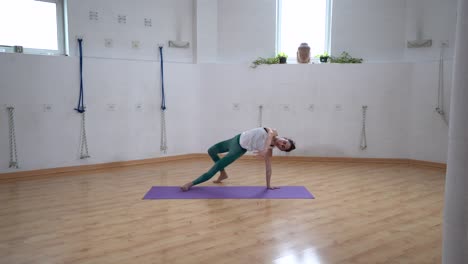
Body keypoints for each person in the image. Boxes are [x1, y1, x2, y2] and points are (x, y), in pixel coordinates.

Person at [181, 127, 296, 191]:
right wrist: (265, 149)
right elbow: (270, 133)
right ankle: (223, 173)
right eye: (284, 142)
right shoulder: (273, 132)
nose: (281, 144)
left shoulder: (269, 150)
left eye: (283, 147)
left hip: (238, 149)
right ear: (284, 138)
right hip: (235, 139)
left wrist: (268, 185)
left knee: (216, 166)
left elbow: (268, 168)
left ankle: (191, 183)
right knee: (211, 151)